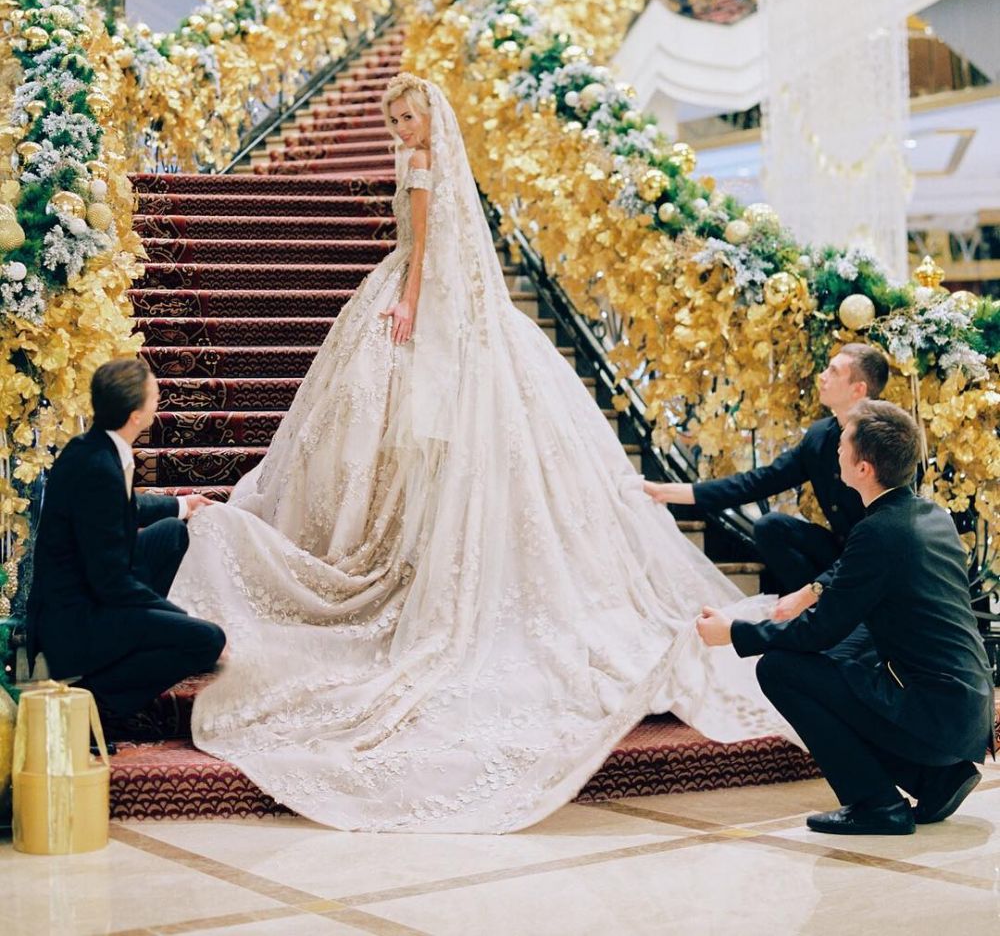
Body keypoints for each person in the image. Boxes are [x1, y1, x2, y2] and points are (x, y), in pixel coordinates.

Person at [169, 73, 791, 834]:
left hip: (424, 293)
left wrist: (409, 301)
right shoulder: (422, 162)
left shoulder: (423, 167)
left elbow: (426, 245)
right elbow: (428, 241)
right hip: (431, 292)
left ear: (432, 115)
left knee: (414, 427)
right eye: (393, 117)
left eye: (410, 114)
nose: (402, 127)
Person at [696, 400, 994, 836]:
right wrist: (812, 591)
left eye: (843, 441)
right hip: (966, 713)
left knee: (780, 668)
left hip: (936, 717)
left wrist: (735, 633)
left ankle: (876, 803)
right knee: (843, 661)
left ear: (863, 468)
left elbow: (819, 631)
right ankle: (931, 778)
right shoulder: (931, 516)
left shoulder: (877, 532)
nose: (836, 447)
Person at [26, 358, 226, 723]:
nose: (159, 397)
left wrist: (182, 504)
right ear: (136, 415)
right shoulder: (99, 470)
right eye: (154, 393)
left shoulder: (91, 447)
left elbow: (122, 507)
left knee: (171, 533)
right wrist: (181, 617)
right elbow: (113, 585)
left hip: (92, 591)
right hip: (75, 622)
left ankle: (134, 642)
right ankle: (99, 700)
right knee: (206, 639)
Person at [644, 343, 890, 617]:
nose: (822, 376)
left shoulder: (884, 441)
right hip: (838, 554)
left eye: (833, 371)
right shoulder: (820, 437)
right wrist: (670, 492)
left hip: (876, 563)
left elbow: (885, 535)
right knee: (771, 526)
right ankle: (820, 616)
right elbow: (760, 481)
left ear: (858, 389)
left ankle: (828, 614)